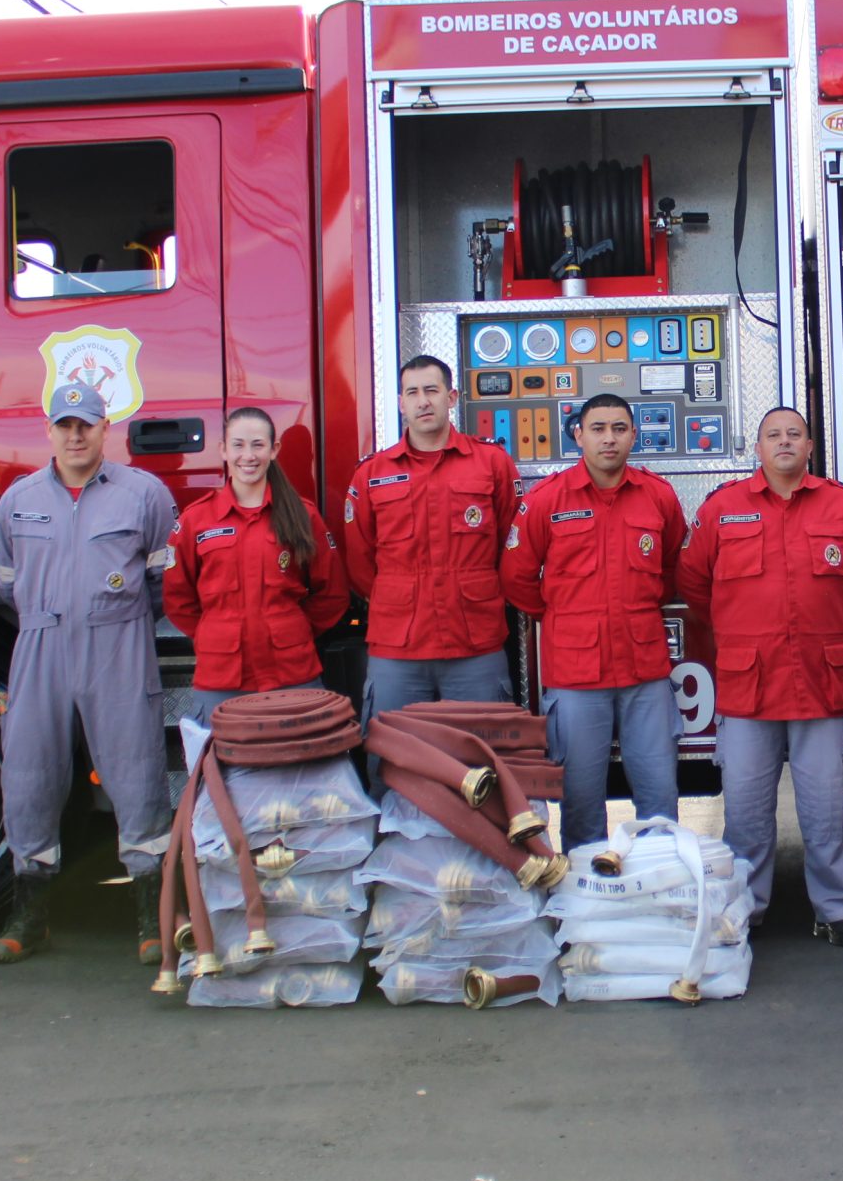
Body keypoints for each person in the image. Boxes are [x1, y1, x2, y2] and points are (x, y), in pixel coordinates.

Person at [0, 382, 180, 964]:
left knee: (137, 773)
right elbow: (6, 581)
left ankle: (152, 918)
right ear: (49, 430)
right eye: (65, 424)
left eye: (86, 424)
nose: (75, 434)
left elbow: (162, 583)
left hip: (117, 643)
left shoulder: (143, 496)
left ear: (105, 428)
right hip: (40, 643)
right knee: (28, 776)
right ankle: (30, 916)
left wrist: (110, 617)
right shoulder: (17, 500)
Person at [677, 407, 843, 946]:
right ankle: (746, 910)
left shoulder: (842, 505)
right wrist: (739, 628)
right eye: (774, 435)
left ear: (811, 445)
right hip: (750, 685)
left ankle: (836, 910)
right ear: (759, 448)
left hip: (822, 681)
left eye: (795, 434)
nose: (785, 442)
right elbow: (695, 582)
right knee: (745, 813)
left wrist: (830, 619)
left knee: (825, 811)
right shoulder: (724, 508)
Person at [501, 392, 687, 852]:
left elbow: (670, 571)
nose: (610, 438)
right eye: (599, 429)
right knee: (581, 802)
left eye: (619, 429)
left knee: (660, 799)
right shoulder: (547, 499)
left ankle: (660, 892)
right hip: (577, 675)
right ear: (578, 435)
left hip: (644, 670)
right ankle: (587, 906)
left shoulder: (658, 497)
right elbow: (517, 577)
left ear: (634, 436)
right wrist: (566, 617)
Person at [343, 354, 521, 717]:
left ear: (451, 397)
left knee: (482, 756)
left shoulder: (492, 463)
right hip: (397, 646)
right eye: (412, 392)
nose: (423, 400)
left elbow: (512, 545)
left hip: (475, 642)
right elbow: (359, 561)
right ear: (400, 403)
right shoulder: (372, 473)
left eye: (431, 390)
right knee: (395, 759)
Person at [166, 406, 350, 726]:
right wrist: (217, 634)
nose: (247, 456)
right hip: (221, 678)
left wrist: (290, 630)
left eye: (258, 445)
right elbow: (177, 599)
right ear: (223, 450)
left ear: (273, 450)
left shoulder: (301, 516)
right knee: (221, 769)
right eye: (238, 445)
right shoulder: (196, 520)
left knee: (301, 765)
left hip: (292, 670)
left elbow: (331, 593)